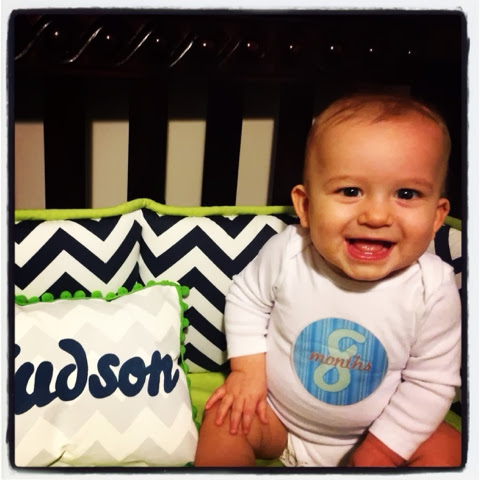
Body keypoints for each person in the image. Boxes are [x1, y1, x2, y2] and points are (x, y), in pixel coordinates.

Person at [194, 93, 462, 467]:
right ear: (305, 206)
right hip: (278, 420)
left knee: (449, 447)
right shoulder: (290, 253)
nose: (376, 216)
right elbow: (247, 299)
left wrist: (381, 452)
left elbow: (430, 383)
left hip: (380, 434)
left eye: (406, 193)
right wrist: (247, 373)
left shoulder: (432, 288)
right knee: (225, 418)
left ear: (436, 216)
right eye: (350, 191)